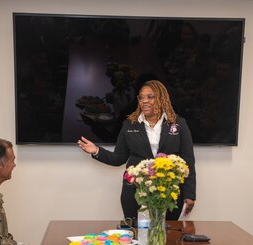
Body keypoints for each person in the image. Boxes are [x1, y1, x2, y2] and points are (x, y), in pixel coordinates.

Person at [78, 80, 196, 220]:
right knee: (133, 232)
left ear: (161, 98)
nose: (144, 101)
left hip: (169, 189)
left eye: (150, 97)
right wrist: (96, 150)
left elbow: (188, 161)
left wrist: (190, 194)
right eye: (141, 97)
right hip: (134, 189)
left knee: (168, 235)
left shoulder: (178, 123)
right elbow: (118, 158)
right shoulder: (129, 124)